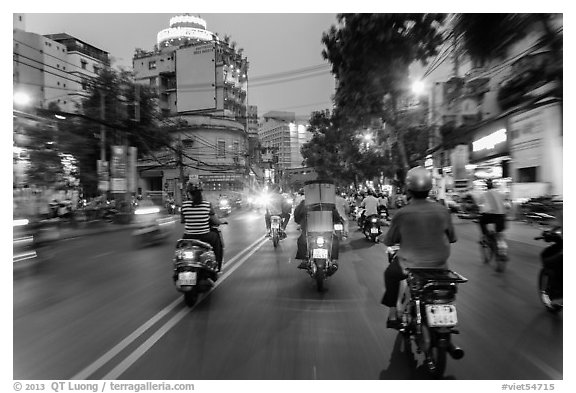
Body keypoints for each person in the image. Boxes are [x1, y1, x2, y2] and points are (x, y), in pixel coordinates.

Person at [381, 166, 457, 329]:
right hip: (439, 266)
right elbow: (452, 238)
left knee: (390, 275)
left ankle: (393, 313)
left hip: (409, 266)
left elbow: (389, 240)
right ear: (430, 188)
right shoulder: (443, 211)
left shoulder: (402, 214)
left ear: (409, 189)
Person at [180, 183, 225, 272]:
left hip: (188, 237)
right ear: (201, 193)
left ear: (189, 193)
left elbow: (182, 220)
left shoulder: (184, 205)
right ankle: (217, 266)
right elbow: (215, 221)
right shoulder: (207, 205)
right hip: (205, 236)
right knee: (217, 242)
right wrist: (222, 222)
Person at [294, 196, 343, 269]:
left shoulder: (304, 203)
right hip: (325, 230)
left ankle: (304, 260)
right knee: (334, 240)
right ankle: (334, 260)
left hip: (309, 230)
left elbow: (297, 216)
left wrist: (300, 223)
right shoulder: (328, 204)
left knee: (302, 240)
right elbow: (336, 217)